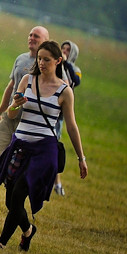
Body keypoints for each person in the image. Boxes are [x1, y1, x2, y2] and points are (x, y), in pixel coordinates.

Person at [0, 40, 88, 251]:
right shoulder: (27, 80)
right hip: (20, 145)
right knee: (11, 201)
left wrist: (81, 158)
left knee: (18, 194)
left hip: (44, 151)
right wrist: (15, 106)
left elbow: (71, 126)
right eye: (39, 59)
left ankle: (2, 242)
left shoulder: (64, 91)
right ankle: (27, 231)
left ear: (58, 61)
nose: (42, 63)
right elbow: (11, 114)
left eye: (47, 59)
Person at [0, 26, 50, 205]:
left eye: (36, 36)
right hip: (11, 114)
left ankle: (17, 200)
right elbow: (11, 86)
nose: (31, 38)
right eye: (30, 35)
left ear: (45, 41)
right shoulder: (21, 59)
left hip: (30, 120)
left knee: (23, 161)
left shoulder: (47, 65)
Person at [53, 40, 82, 196]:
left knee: (53, 144)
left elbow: (75, 81)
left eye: (68, 50)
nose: (64, 51)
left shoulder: (74, 69)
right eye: (62, 48)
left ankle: (56, 182)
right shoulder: (54, 65)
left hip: (61, 112)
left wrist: (65, 63)